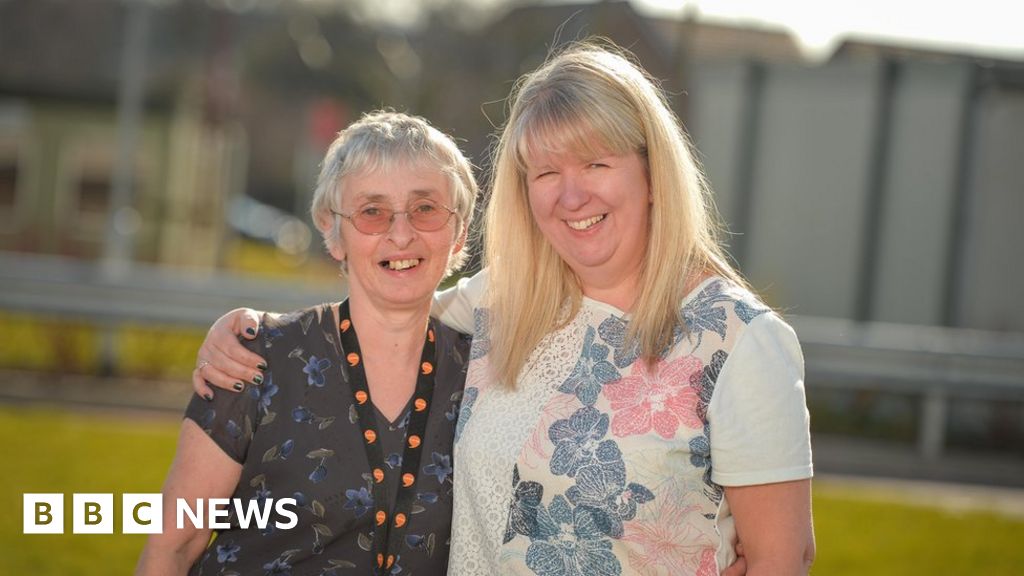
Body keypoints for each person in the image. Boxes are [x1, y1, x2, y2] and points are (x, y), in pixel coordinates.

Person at [195, 41, 813, 575]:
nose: (572, 195)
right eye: (545, 172)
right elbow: (386, 312)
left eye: (597, 163)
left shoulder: (740, 343)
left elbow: (782, 561)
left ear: (652, 174)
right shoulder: (505, 297)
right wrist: (255, 330)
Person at [136, 111, 477, 575]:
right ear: (333, 232)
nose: (401, 234)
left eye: (426, 208)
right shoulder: (255, 359)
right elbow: (174, 545)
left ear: (459, 232)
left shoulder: (483, 374)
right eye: (372, 212)